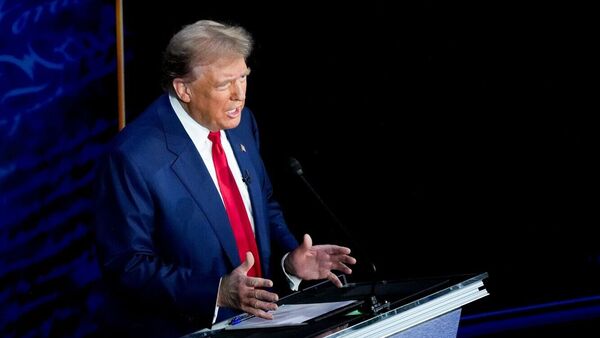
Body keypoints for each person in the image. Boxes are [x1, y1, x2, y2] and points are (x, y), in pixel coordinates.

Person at [94, 19, 356, 337]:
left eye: (243, 78)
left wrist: (289, 261)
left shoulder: (243, 123)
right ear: (184, 89)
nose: (238, 96)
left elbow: (262, 204)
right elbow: (127, 266)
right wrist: (217, 292)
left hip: (264, 323)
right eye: (223, 85)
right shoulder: (133, 157)